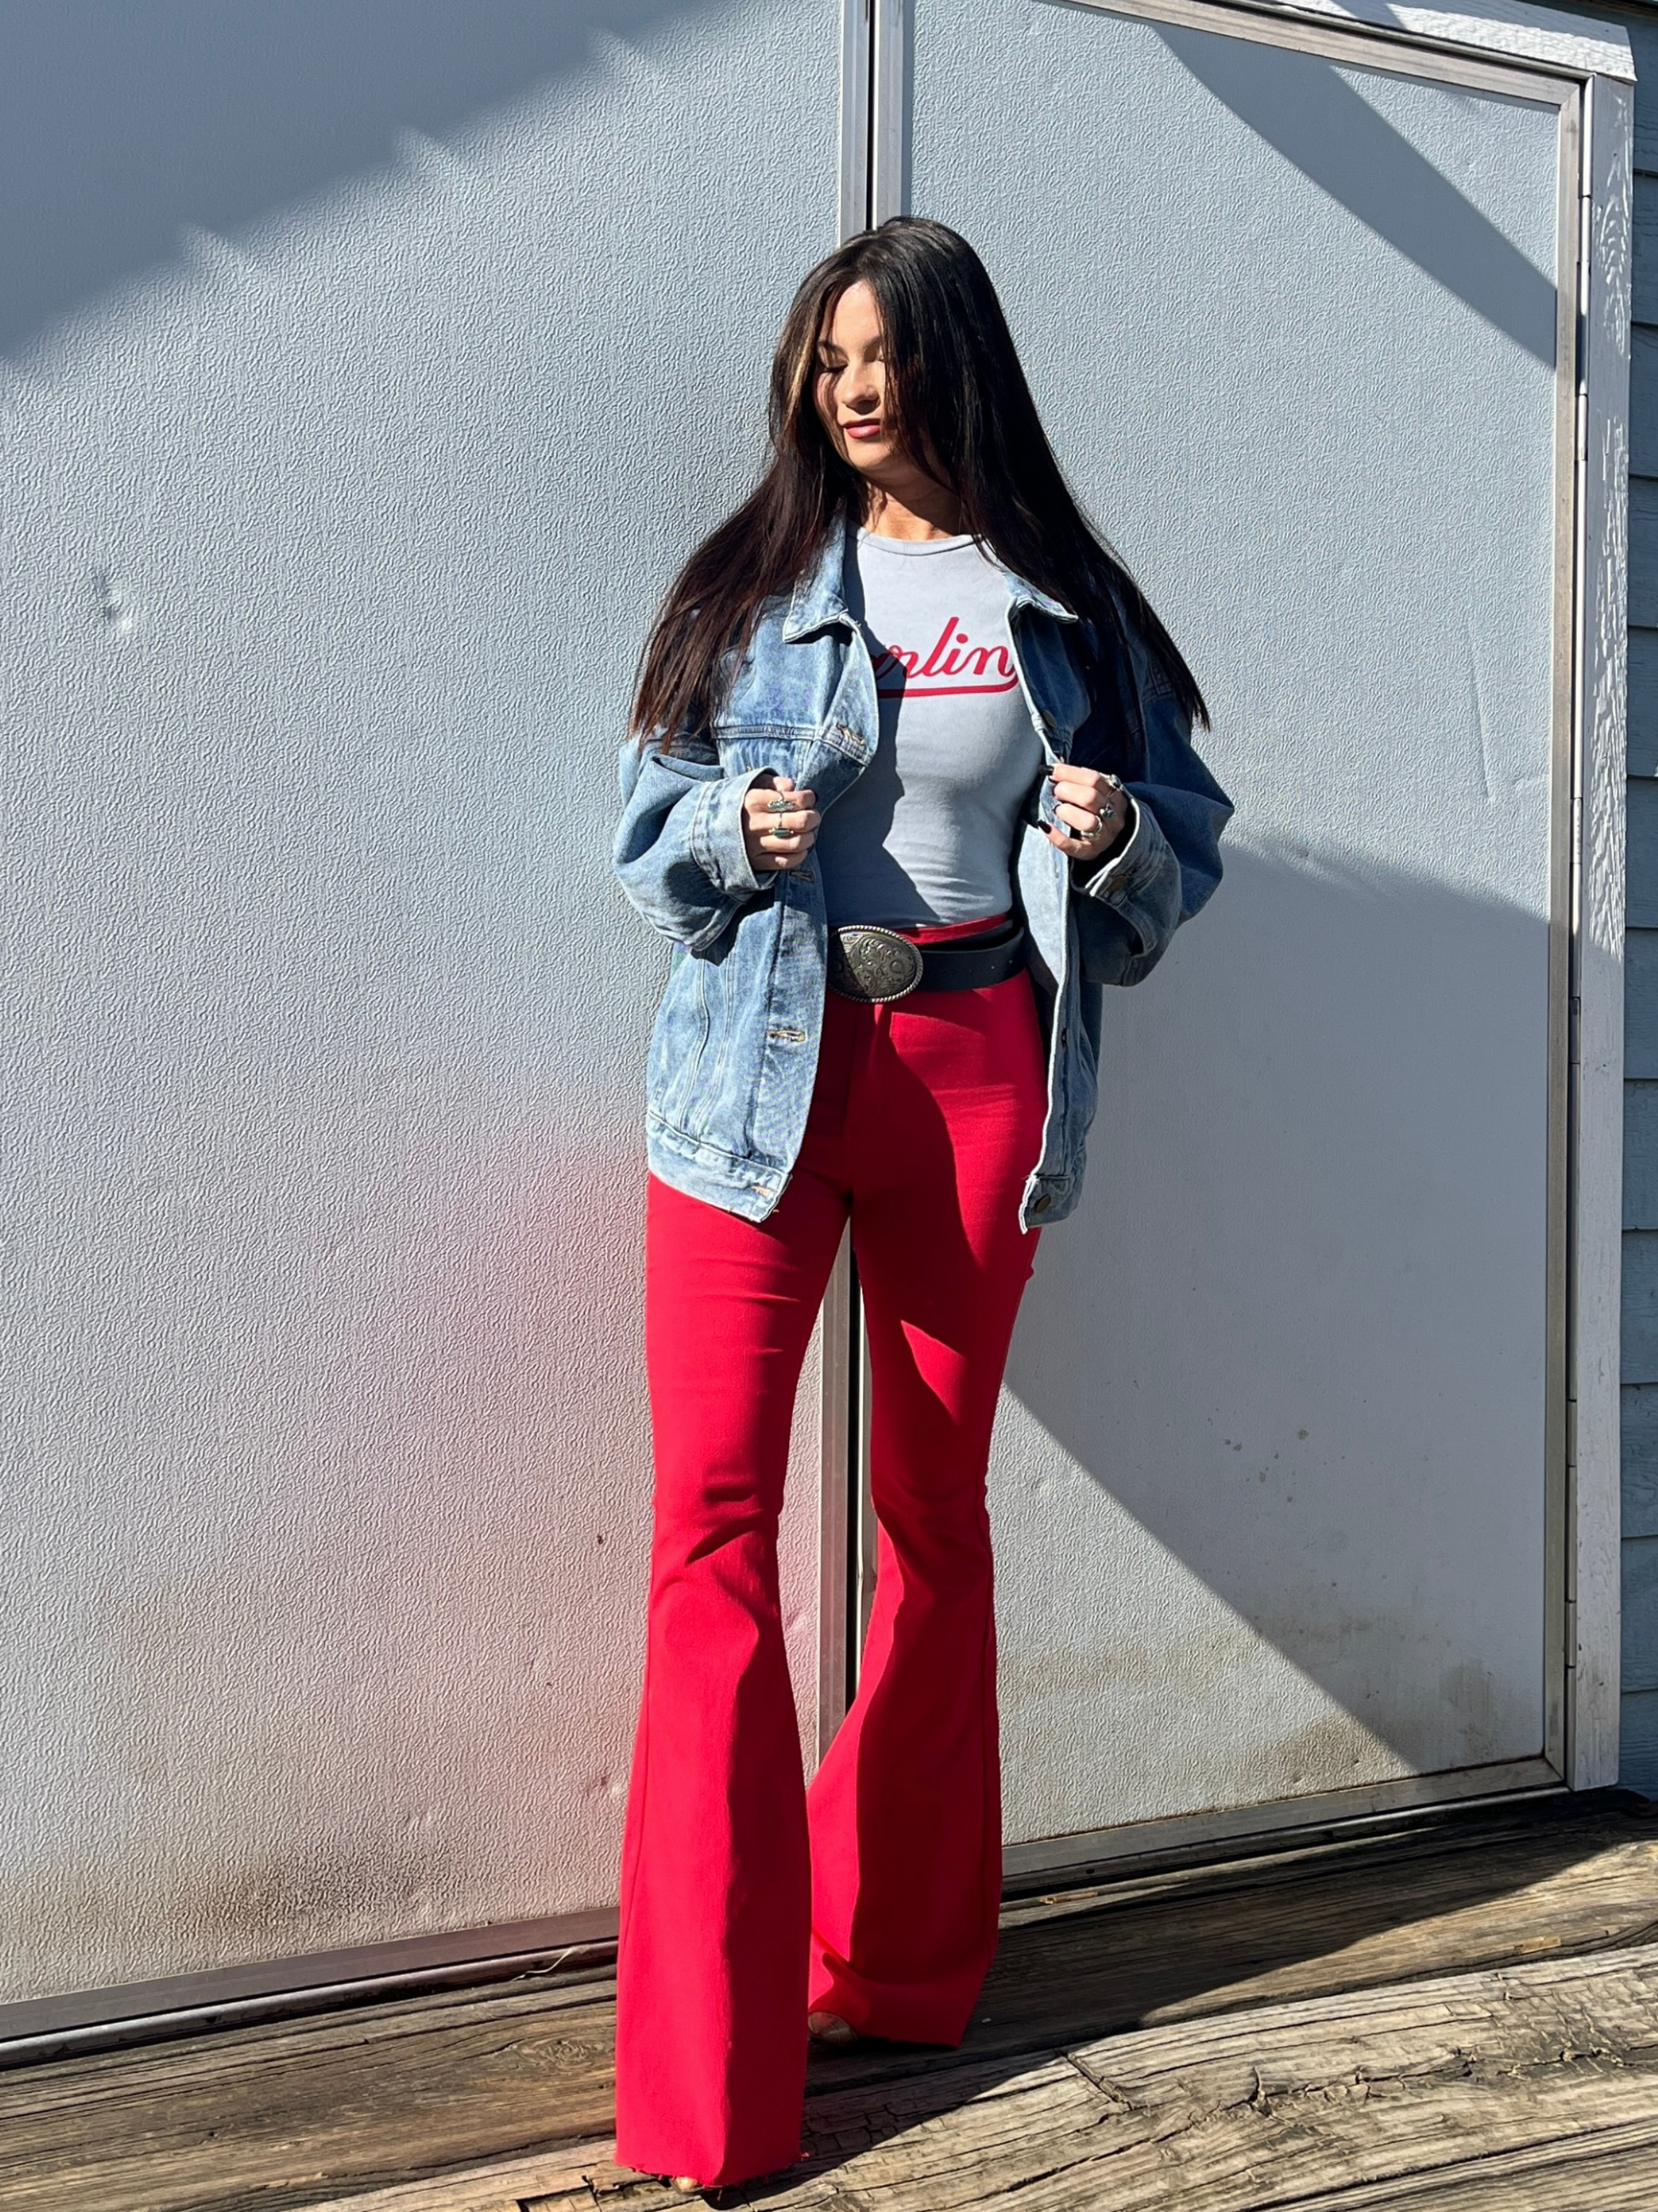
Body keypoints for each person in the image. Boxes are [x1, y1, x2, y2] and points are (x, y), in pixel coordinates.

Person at [609, 216, 1231, 2196]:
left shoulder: (1058, 602)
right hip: (758, 1092)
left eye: (882, 353)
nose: (852, 387)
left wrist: (1120, 830)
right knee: (712, 1533)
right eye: (826, 357)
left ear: (953, 361)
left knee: (930, 1524)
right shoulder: (749, 583)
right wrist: (730, 825)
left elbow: (1185, 848)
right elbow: (640, 838)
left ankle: (906, 1966)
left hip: (974, 1074)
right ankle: (711, 2091)